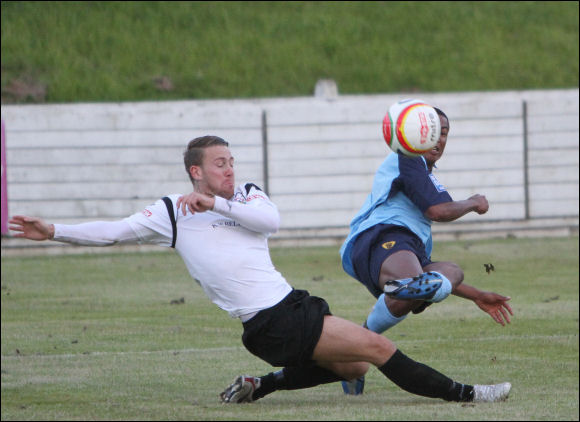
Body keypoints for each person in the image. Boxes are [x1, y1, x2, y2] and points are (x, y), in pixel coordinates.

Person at [9, 135, 511, 405]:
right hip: (271, 318)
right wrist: (53, 228)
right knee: (378, 348)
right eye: (219, 163)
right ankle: (468, 394)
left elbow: (270, 220)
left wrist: (217, 205)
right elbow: (115, 230)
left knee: (355, 366)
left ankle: (263, 384)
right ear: (196, 171)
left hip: (291, 306)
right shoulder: (172, 211)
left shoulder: (246, 196)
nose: (230, 168)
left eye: (231, 160)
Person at [338, 108, 514, 395]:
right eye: (432, 131)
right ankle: (404, 288)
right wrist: (473, 202)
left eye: (443, 133)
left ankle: (356, 348)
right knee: (414, 285)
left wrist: (477, 296)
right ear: (413, 134)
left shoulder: (423, 175)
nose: (438, 139)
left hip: (404, 249)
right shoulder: (408, 158)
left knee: (450, 272)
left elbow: (434, 212)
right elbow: (438, 210)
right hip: (380, 237)